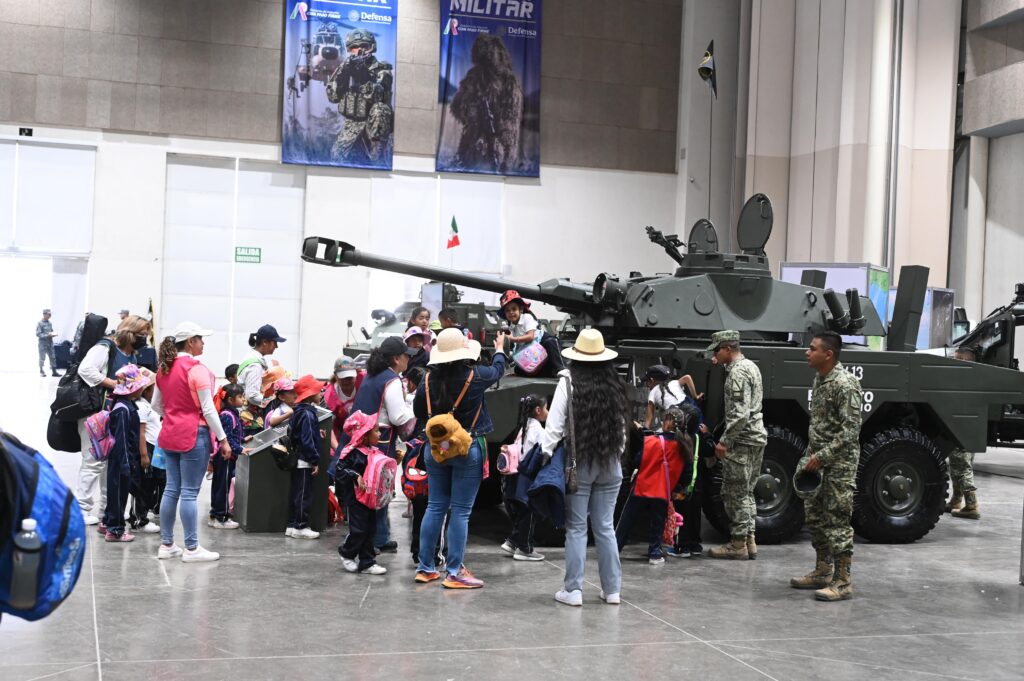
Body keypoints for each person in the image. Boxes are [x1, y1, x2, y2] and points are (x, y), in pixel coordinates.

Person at [412, 328, 507, 588]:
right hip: (467, 447)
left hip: (437, 448)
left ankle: (425, 568)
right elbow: (498, 370)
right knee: (461, 512)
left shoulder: (427, 380)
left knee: (435, 507)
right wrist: (500, 349)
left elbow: (418, 410)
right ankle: (454, 572)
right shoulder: (475, 376)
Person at [545, 329, 626, 606]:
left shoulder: (568, 381)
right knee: (605, 527)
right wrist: (616, 455)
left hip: (578, 464)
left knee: (577, 528)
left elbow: (554, 426)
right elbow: (622, 430)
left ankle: (573, 590)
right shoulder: (614, 383)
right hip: (610, 464)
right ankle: (612, 590)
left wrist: (544, 456)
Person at [792, 331, 862, 601]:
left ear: (828, 354)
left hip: (838, 465)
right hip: (816, 462)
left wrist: (823, 456)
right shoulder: (820, 379)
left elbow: (850, 431)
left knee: (836, 521)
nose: (807, 352)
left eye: (812, 349)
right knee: (815, 517)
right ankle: (823, 570)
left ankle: (843, 581)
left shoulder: (845, 384)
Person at [154, 321, 230, 563]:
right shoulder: (198, 370)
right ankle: (192, 548)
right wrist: (223, 439)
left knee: (171, 489)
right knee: (189, 493)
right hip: (194, 435)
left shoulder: (163, 369)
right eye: (200, 339)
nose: (203, 343)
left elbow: (156, 405)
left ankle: (167, 545)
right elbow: (208, 409)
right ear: (190, 342)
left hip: (169, 433)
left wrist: (174, 415)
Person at [333, 336, 416, 554]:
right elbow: (398, 417)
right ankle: (369, 542)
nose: (408, 359)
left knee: (372, 490)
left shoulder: (373, 375)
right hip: (380, 440)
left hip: (364, 439)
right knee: (375, 490)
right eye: (406, 355)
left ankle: (379, 537)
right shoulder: (392, 380)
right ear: (396, 359)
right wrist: (415, 409)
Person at [74, 314, 151, 526]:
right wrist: (113, 384)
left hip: (116, 415)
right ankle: (81, 509)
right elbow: (85, 370)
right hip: (96, 414)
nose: (144, 338)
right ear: (130, 333)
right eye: (141, 334)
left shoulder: (131, 355)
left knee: (111, 464)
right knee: (93, 462)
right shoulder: (105, 348)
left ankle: (108, 510)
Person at [706, 330, 767, 561]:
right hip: (756, 438)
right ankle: (750, 540)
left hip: (741, 440)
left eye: (716, 350)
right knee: (747, 492)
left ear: (728, 349)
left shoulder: (737, 373)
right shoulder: (751, 366)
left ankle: (738, 544)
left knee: (733, 493)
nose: (714, 355)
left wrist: (725, 441)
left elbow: (740, 414)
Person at [616, 407, 693, 564]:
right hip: (663, 491)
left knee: (626, 521)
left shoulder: (652, 441)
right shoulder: (684, 446)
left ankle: (614, 550)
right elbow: (687, 473)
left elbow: (637, 461)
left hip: (642, 487)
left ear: (668, 422)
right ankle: (655, 553)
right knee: (657, 524)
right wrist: (677, 488)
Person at [102, 365, 153, 542]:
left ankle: (108, 521)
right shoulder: (123, 409)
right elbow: (121, 439)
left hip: (123, 458)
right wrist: (126, 464)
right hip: (121, 459)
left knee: (116, 492)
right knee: (118, 494)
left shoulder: (124, 405)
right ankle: (115, 530)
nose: (143, 388)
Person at [336, 411, 387, 573]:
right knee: (359, 529)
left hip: (370, 498)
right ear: (364, 434)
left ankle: (367, 562)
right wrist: (355, 475)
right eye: (376, 431)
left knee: (370, 529)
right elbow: (340, 470)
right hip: (356, 498)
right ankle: (347, 553)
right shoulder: (351, 452)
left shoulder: (373, 451)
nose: (380, 434)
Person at [500, 394, 548, 562]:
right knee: (530, 512)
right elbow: (545, 453)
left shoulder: (523, 427)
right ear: (538, 410)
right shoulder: (538, 431)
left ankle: (512, 541)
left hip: (517, 476)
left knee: (523, 512)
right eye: (546, 408)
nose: (548, 412)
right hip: (528, 477)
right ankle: (524, 549)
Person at [287, 375, 325, 540]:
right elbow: (307, 440)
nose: (321, 393)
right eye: (318, 391)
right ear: (310, 394)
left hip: (297, 458)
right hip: (304, 460)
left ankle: (292, 524)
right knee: (304, 495)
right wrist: (314, 460)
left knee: (297, 493)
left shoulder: (299, 411)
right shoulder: (308, 414)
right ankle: (301, 526)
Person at [947, 346, 981, 520]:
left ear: (966, 360)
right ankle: (956, 500)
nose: (954, 362)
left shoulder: (964, 380)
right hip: (970, 428)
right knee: (957, 465)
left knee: (961, 466)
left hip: (962, 429)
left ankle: (971, 505)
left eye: (957, 359)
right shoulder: (975, 378)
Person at [498, 290, 564, 377]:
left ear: (521, 309)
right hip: (533, 351)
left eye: (514, 309)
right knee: (518, 369)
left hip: (541, 344)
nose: (511, 312)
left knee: (551, 341)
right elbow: (518, 347)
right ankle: (550, 372)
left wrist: (512, 339)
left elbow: (530, 337)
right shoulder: (511, 327)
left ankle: (561, 369)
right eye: (507, 310)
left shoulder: (527, 317)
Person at [237, 324, 287, 434]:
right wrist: (272, 399)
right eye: (275, 342)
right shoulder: (255, 365)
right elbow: (252, 395)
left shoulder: (252, 357)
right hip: (250, 422)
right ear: (265, 342)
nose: (276, 346)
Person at [129, 381, 164, 534]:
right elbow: (141, 432)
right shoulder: (141, 406)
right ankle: (138, 520)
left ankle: (143, 515)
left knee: (151, 484)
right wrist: (144, 455)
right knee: (143, 485)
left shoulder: (149, 405)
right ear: (147, 391)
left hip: (154, 448)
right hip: (147, 448)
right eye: (154, 390)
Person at [209, 383, 245, 530]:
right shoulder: (228, 416)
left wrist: (242, 440)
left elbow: (232, 435)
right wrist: (240, 449)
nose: (243, 399)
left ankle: (215, 515)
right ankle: (221, 517)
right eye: (240, 397)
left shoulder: (229, 414)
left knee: (219, 484)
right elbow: (227, 439)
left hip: (224, 456)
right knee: (223, 486)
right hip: (225, 456)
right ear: (230, 400)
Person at [642, 364, 701, 429]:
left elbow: (649, 419)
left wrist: (644, 431)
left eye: (646, 382)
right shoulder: (674, 382)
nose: (646, 385)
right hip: (692, 408)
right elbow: (687, 377)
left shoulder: (653, 392)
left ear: (652, 380)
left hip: (676, 414)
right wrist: (695, 396)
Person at [325, 356, 363, 448]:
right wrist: (337, 449)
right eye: (343, 378)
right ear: (336, 375)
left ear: (356, 373)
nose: (346, 381)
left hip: (363, 433)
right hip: (341, 435)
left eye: (349, 378)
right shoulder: (330, 396)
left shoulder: (364, 381)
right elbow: (329, 427)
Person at [36, 309, 59, 377]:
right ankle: (41, 371)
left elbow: (51, 331)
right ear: (44, 314)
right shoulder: (40, 323)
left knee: (53, 357)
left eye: (50, 314)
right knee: (42, 358)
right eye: (48, 314)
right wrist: (47, 335)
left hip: (50, 343)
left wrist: (53, 334)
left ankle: (54, 371)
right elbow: (38, 334)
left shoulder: (50, 323)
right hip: (42, 343)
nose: (50, 315)